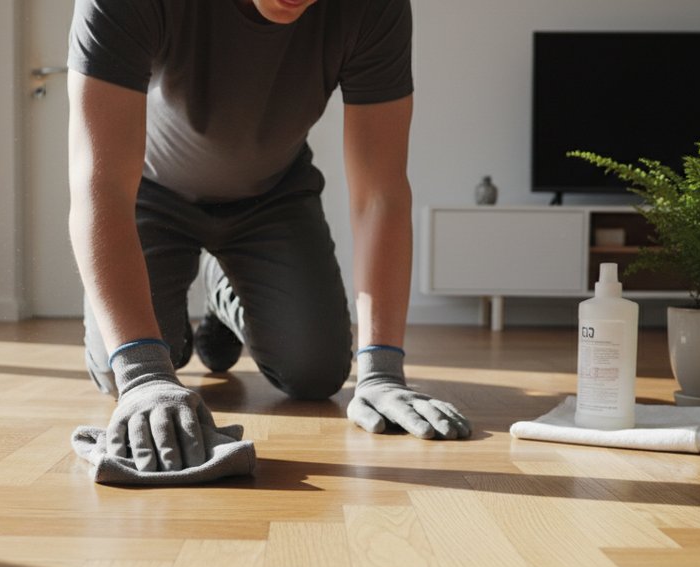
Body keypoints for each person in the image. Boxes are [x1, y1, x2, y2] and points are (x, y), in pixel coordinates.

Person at [68, 0, 472, 474]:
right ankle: (172, 335)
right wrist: (143, 373)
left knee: (316, 373)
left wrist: (382, 371)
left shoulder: (373, 8)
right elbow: (101, 186)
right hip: (149, 193)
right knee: (134, 366)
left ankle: (224, 296)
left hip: (273, 197)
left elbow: (380, 192)